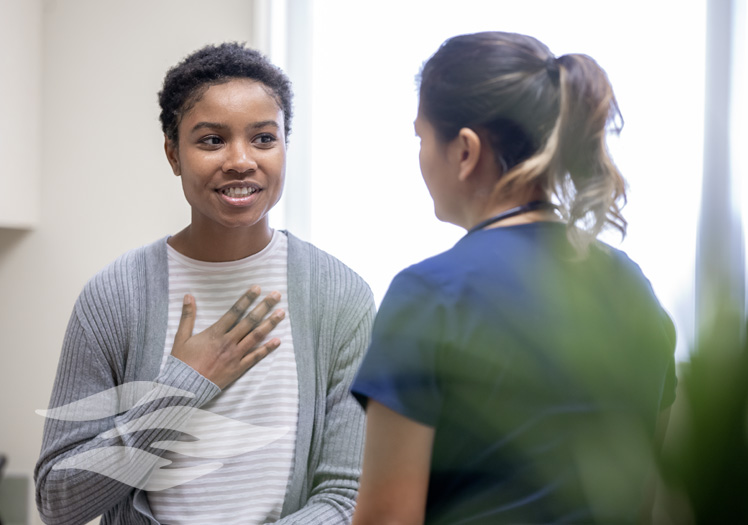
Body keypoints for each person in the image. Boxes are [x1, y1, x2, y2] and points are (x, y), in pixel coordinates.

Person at [35, 42, 374, 525]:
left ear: (284, 147)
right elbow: (58, 502)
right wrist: (180, 391)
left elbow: (347, 498)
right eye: (212, 140)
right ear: (173, 154)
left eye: (263, 138)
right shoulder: (114, 297)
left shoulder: (340, 296)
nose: (240, 160)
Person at [351, 31, 677, 524]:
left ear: (465, 150)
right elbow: (639, 499)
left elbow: (386, 520)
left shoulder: (430, 295)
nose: (419, 157)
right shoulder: (633, 288)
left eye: (421, 138)